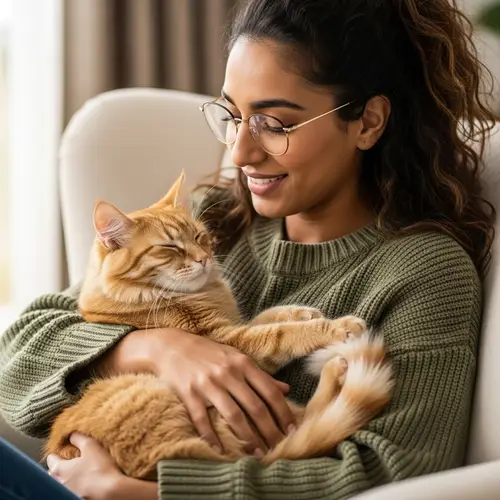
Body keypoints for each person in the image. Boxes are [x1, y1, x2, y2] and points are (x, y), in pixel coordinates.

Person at [0, 0, 497, 498]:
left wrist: (142, 492)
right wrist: (158, 348)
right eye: (232, 116)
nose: (239, 152)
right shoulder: (215, 220)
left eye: (274, 124)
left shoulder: (426, 273)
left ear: (367, 122)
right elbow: (14, 362)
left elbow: (389, 473)